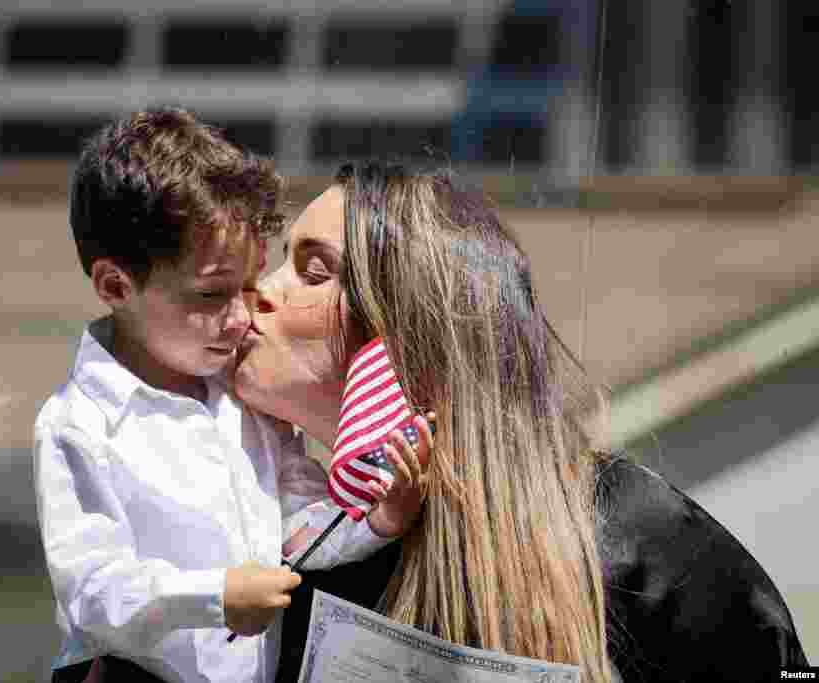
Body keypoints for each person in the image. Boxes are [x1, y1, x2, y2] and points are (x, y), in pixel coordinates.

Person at [232, 160, 810, 682]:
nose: (259, 290)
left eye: (312, 271)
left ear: (410, 330)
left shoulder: (621, 533)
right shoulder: (284, 550)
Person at [33, 114, 429, 683]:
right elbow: (92, 590)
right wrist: (215, 597)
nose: (243, 315)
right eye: (214, 293)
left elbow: (300, 525)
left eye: (248, 284)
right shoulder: (79, 424)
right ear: (116, 287)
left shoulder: (243, 399)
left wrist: (377, 521)